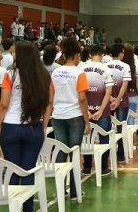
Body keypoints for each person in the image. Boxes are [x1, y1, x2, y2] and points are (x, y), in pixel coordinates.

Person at [0, 41, 53, 212]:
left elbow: (4, 104)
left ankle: (14, 207)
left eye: (14, 53)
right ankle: (27, 208)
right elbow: (49, 103)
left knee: (12, 169)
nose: (13, 56)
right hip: (33, 127)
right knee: (28, 170)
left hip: (11, 126)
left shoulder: (9, 74)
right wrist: (43, 126)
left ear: (21, 56)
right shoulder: (44, 76)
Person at [50, 37, 90, 201]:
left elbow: (51, 96)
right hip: (74, 117)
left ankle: (60, 189)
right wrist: (87, 121)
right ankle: (74, 191)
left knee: (61, 151)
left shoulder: (55, 72)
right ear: (77, 55)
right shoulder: (79, 73)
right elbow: (82, 99)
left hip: (58, 116)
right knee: (74, 152)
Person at [81, 45, 114, 175]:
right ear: (102, 55)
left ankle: (87, 166)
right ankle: (103, 166)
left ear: (90, 55)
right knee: (104, 138)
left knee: (86, 138)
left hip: (86, 110)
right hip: (102, 111)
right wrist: (100, 110)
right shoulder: (106, 69)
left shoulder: (81, 69)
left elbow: (80, 93)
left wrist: (86, 110)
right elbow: (108, 92)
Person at [106, 43, 133, 162]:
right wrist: (117, 100)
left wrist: (111, 98)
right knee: (121, 127)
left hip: (107, 101)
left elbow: (104, 85)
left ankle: (106, 155)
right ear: (121, 53)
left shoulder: (105, 66)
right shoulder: (125, 66)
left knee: (106, 128)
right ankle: (121, 154)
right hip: (121, 101)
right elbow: (124, 85)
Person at [123, 43, 138, 125]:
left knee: (121, 120)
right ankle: (130, 137)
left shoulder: (121, 66)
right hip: (133, 95)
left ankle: (122, 137)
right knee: (131, 120)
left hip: (121, 96)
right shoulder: (136, 67)